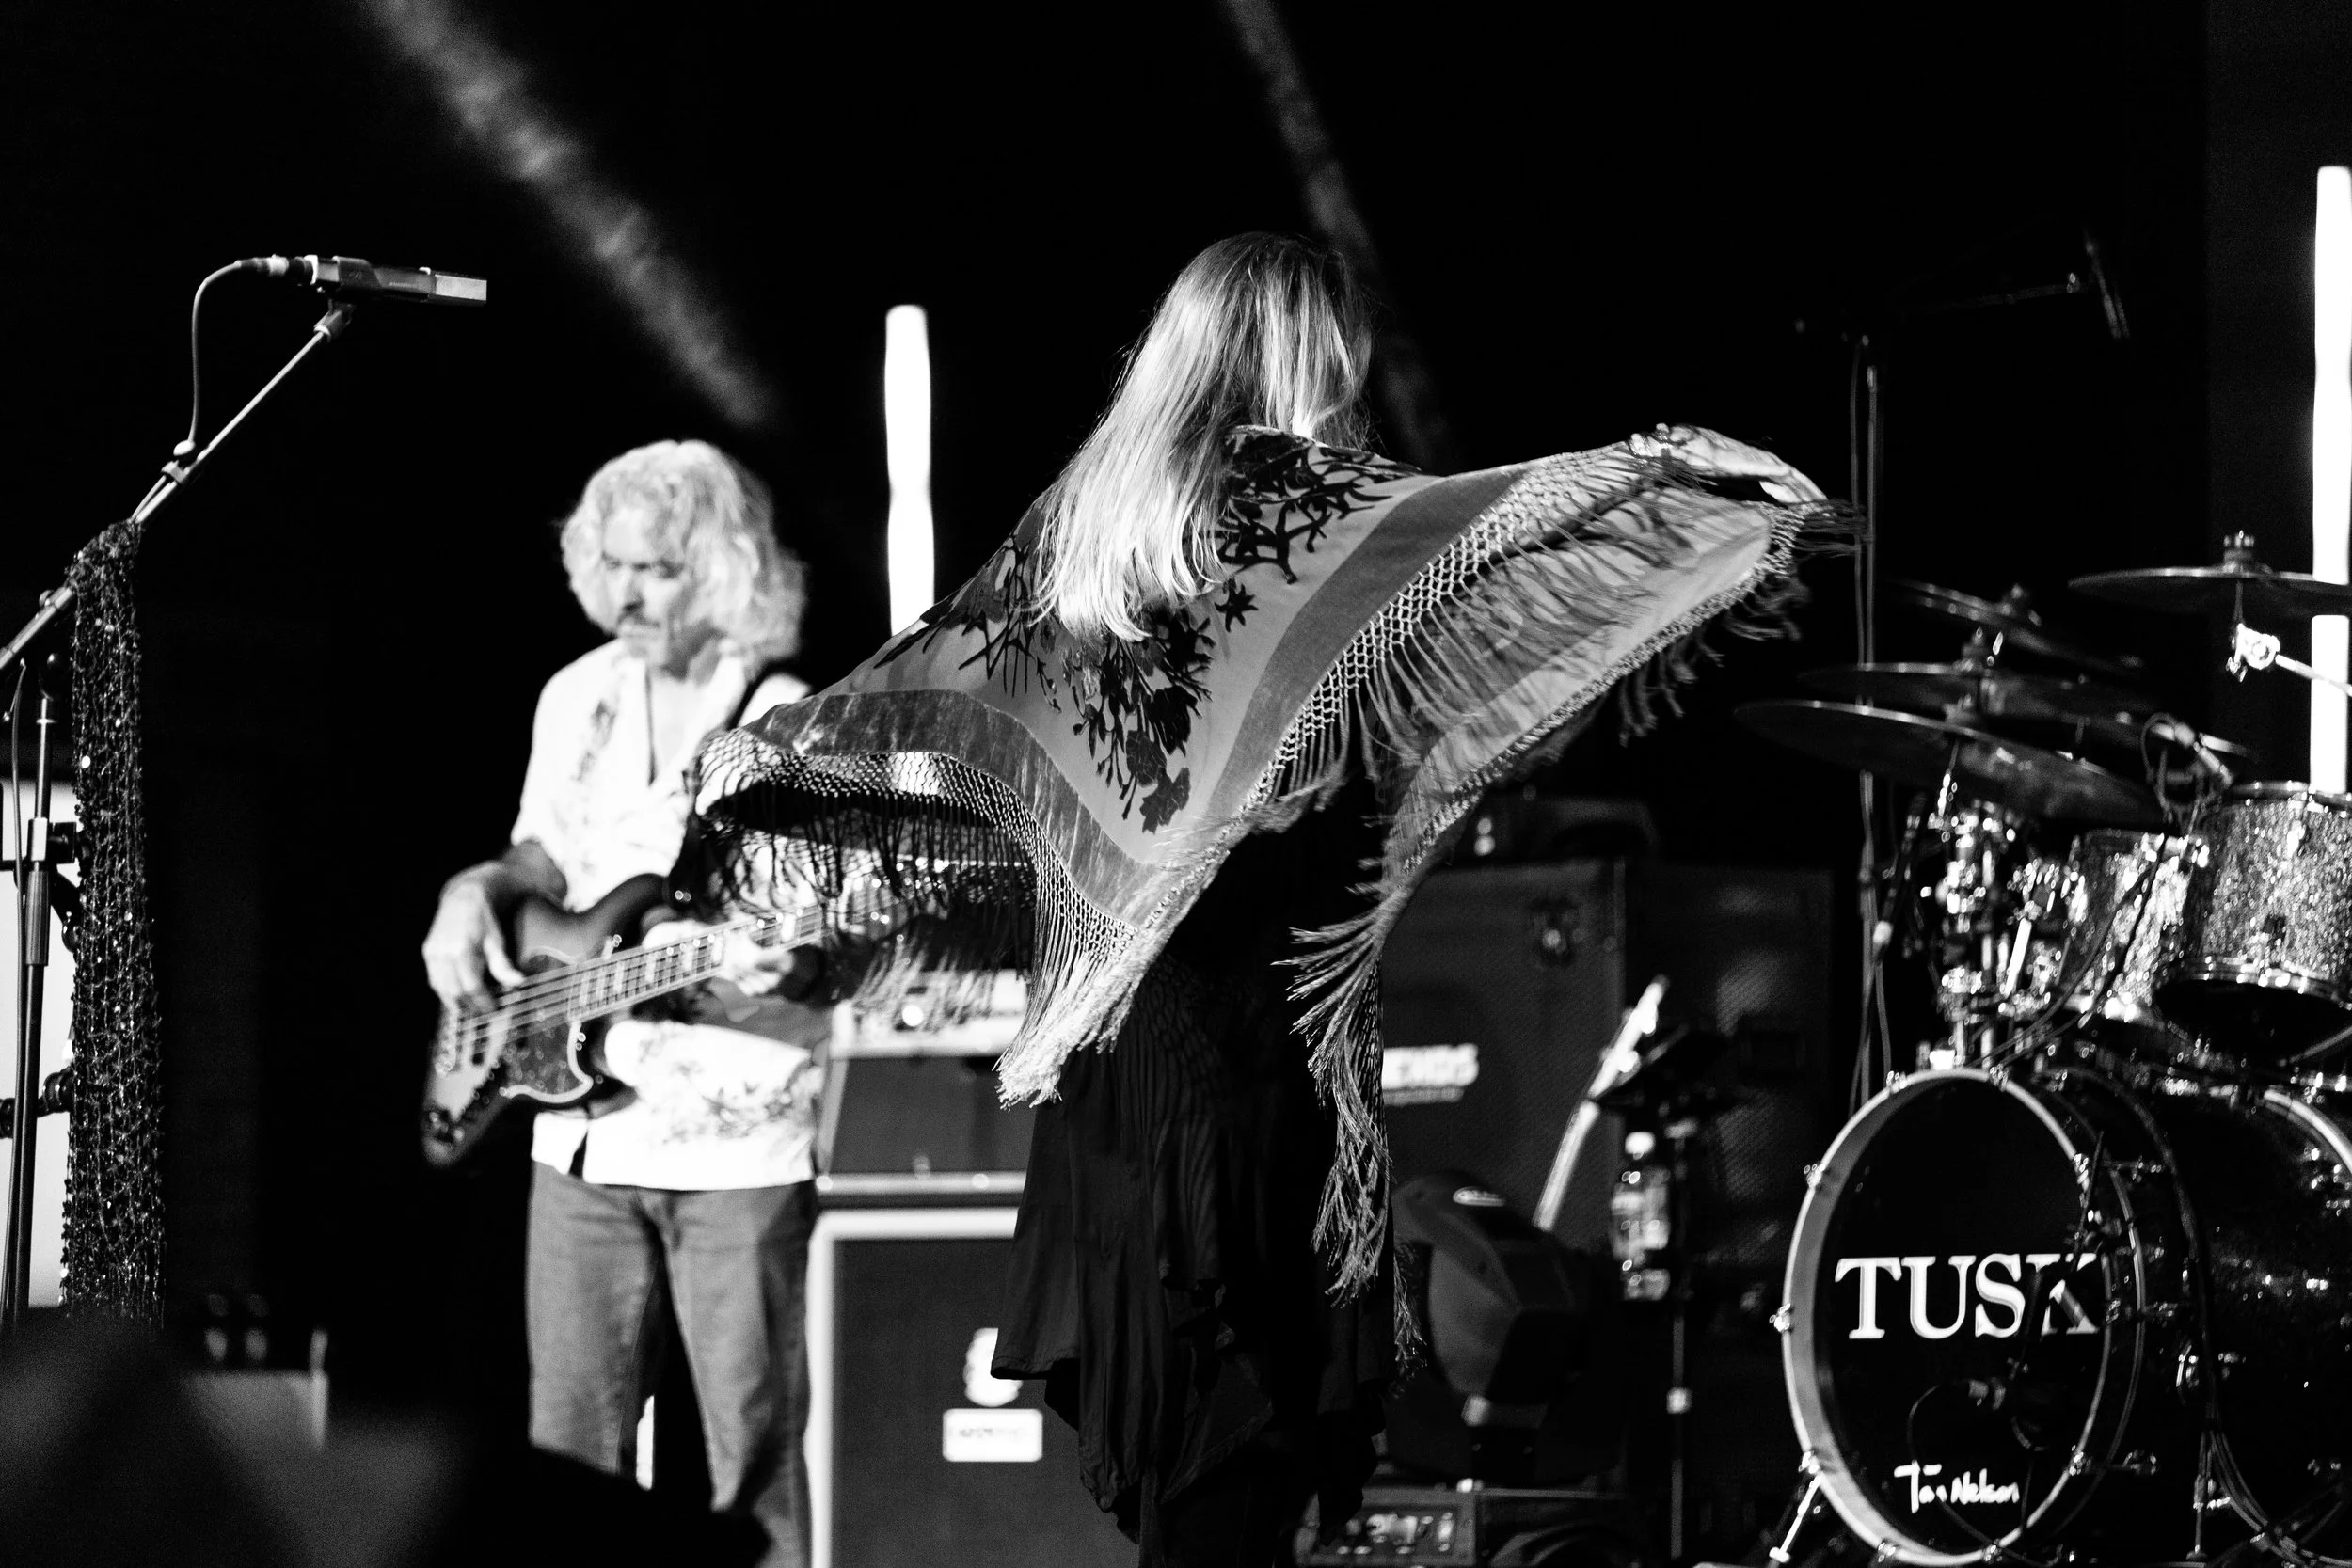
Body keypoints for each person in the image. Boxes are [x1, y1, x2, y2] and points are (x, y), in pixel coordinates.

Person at [684, 234, 1834, 1567]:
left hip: (1124, 1072)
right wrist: (1658, 479)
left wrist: (773, 759)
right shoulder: (1303, 515)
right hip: (1249, 1064)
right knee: (1248, 1462)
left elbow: (936, 680)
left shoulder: (1084, 537)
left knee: (1198, 1486)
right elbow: (1487, 523)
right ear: (1303, 356)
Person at [421, 439, 823, 1568]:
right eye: (615, 565)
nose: (630, 592)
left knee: (759, 1450)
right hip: (576, 1131)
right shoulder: (578, 693)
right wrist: (473, 889)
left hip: (735, 1140)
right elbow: (544, 857)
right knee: (566, 1459)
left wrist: (776, 962)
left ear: (725, 566)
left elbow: (798, 922)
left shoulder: (784, 718)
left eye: (657, 568)